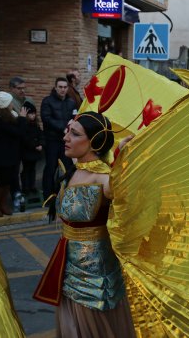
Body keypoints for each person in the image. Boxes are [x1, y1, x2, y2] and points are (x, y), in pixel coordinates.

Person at [33, 111, 135, 337]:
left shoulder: (105, 180)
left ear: (94, 142)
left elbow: (128, 195)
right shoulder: (74, 169)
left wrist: (126, 158)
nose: (65, 138)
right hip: (67, 265)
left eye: (75, 134)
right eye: (67, 131)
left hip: (95, 275)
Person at [0, 90, 27, 217]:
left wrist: (20, 118)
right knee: (2, 179)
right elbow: (18, 132)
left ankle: (3, 204)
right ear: (5, 105)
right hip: (2, 154)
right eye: (10, 102)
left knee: (9, 179)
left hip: (13, 154)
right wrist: (22, 118)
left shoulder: (11, 114)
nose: (12, 104)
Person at [41, 77, 77, 201]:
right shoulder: (47, 101)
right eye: (60, 87)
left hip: (66, 142)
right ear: (55, 87)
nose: (62, 89)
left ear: (68, 88)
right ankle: (48, 195)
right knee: (50, 167)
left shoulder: (71, 102)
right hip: (52, 140)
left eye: (65, 87)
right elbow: (46, 118)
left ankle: (64, 193)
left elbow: (75, 117)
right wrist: (63, 128)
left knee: (67, 167)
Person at [9, 76, 33, 209]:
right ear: (12, 89)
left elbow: (35, 118)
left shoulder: (28, 100)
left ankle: (26, 193)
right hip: (15, 142)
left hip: (28, 140)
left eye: (24, 88)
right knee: (15, 171)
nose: (22, 91)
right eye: (19, 88)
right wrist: (23, 118)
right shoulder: (9, 102)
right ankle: (16, 196)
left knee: (28, 168)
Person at [21, 101, 43, 197]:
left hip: (35, 151)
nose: (33, 116)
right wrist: (35, 145)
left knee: (33, 169)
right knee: (26, 169)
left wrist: (41, 144)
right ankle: (25, 187)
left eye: (34, 114)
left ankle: (32, 186)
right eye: (31, 114)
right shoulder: (24, 124)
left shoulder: (36, 124)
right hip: (27, 151)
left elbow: (40, 135)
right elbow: (25, 138)